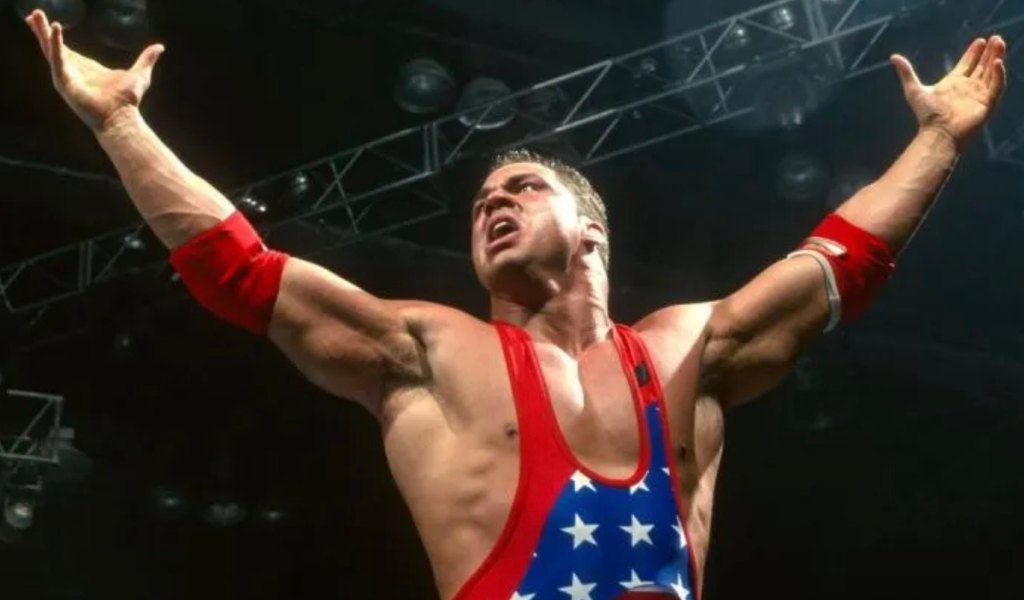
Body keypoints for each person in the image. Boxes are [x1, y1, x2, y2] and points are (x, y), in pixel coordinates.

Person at [23, 9, 1007, 600]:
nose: (491, 203)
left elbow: (837, 267)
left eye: (522, 189)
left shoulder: (688, 347)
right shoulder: (426, 351)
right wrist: (119, 125)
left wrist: (939, 140)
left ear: (591, 231)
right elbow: (243, 274)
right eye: (481, 201)